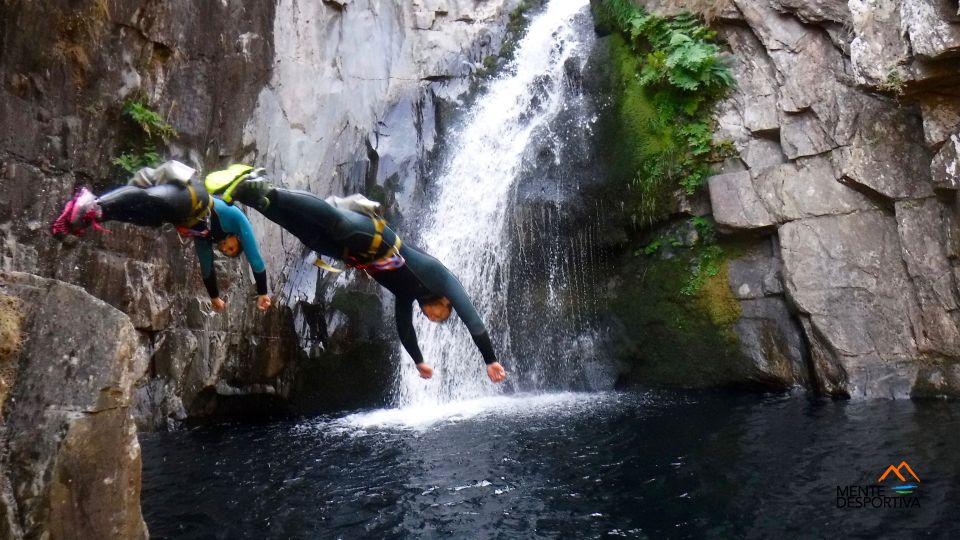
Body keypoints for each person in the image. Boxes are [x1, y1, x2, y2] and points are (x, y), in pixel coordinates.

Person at [204, 164, 507, 383]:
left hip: (350, 254)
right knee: (336, 221)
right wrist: (490, 360)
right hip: (375, 239)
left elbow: (405, 329)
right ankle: (268, 187)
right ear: (444, 301)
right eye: (442, 315)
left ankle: (252, 197)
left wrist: (419, 362)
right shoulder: (440, 277)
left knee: (307, 233)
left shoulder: (407, 294)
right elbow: (474, 321)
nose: (434, 318)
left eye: (434, 320)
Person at [50, 161, 271, 312]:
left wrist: (214, 297)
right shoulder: (235, 218)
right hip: (195, 197)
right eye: (232, 248)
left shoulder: (204, 237)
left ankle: (85, 216)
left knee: (136, 214)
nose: (226, 249)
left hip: (177, 214)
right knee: (150, 199)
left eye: (226, 252)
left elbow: (207, 268)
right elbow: (256, 260)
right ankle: (92, 202)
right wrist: (262, 292)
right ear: (237, 238)